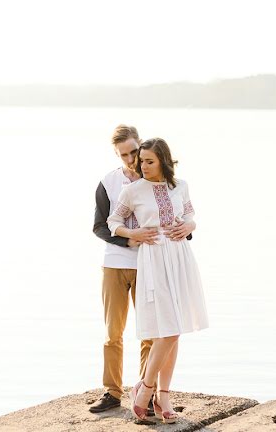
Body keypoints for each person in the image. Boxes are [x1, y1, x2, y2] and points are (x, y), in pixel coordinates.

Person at [88, 125, 195, 414]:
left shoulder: (169, 182)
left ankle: (147, 393)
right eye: (124, 154)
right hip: (116, 262)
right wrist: (132, 238)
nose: (131, 159)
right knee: (114, 332)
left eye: (135, 152)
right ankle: (113, 392)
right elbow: (102, 225)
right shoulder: (111, 182)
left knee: (156, 332)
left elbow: (181, 217)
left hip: (153, 265)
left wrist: (186, 228)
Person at [107, 137, 208, 423]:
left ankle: (163, 396)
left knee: (175, 330)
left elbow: (190, 214)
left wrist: (189, 225)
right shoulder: (134, 190)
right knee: (169, 330)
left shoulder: (180, 186)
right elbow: (113, 222)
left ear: (163, 160)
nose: (143, 166)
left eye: (149, 161)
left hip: (180, 258)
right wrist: (133, 234)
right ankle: (145, 389)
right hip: (153, 260)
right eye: (141, 161)